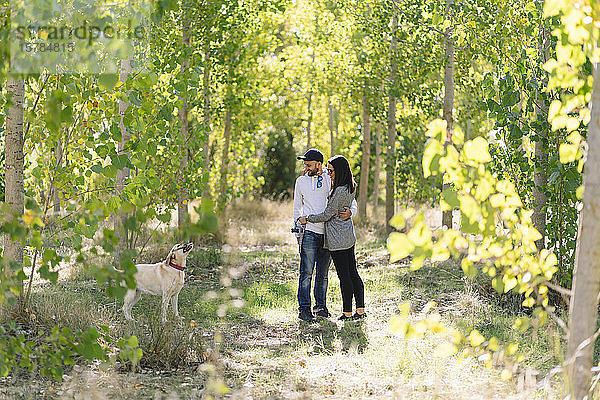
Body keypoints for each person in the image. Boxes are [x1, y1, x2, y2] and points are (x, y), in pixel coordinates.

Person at [293, 149, 357, 323]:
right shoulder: (301, 182)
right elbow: (297, 207)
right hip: (310, 232)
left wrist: (351, 212)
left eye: (309, 164)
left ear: (319, 164)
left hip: (329, 234)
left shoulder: (331, 178)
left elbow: (351, 198)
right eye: (305, 164)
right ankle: (304, 309)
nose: (306, 167)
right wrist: (297, 229)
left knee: (323, 274)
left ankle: (321, 307)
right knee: (306, 272)